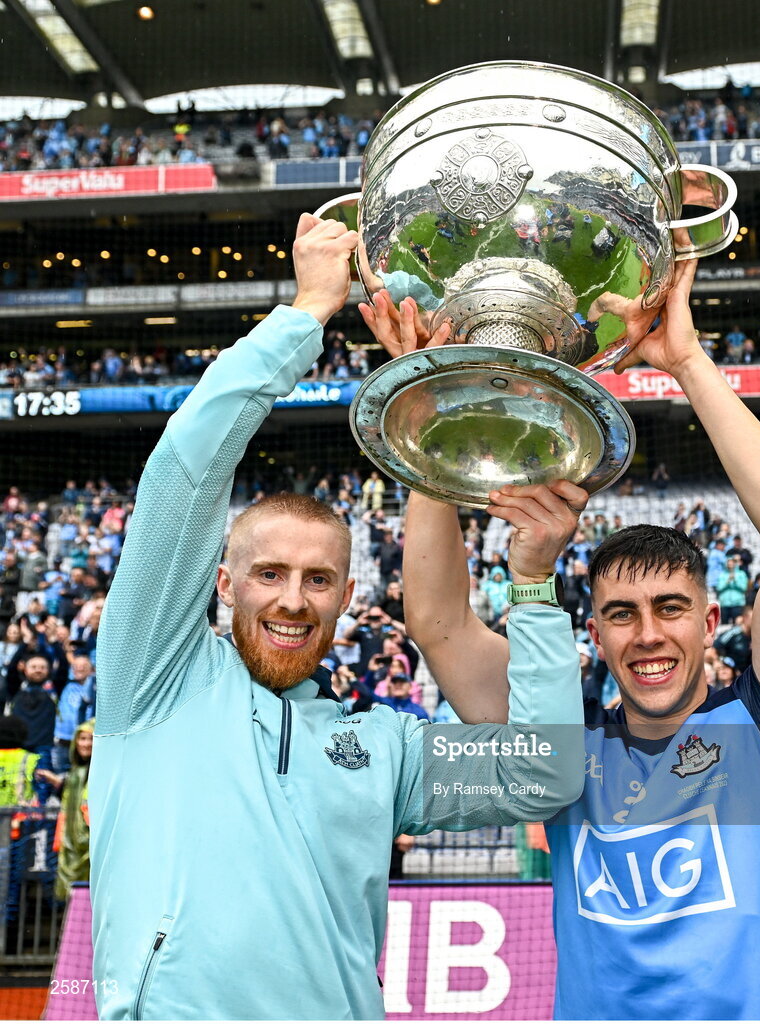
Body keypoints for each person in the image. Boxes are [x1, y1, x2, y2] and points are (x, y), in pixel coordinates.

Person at [88, 215, 584, 1020]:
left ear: (345, 597)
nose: (292, 599)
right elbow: (185, 469)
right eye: (270, 573)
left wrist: (531, 585)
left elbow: (544, 774)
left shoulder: (381, 749)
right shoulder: (152, 679)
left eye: (318, 579)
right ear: (223, 581)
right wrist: (308, 312)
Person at [364, 257, 760, 1019]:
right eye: (622, 613)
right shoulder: (564, 755)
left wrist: (686, 361)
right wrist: (431, 398)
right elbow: (441, 624)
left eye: (670, 607)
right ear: (594, 631)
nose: (648, 635)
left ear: (713, 621)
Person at [35, 719, 94, 900]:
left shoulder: (99, 770)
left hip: (89, 840)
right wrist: (56, 781)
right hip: (71, 840)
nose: (85, 744)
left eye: (90, 739)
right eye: (81, 738)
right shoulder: (76, 770)